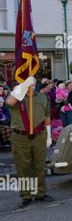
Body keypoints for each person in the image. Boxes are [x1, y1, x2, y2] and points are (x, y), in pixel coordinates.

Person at [6, 77, 53, 208]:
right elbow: (9, 103)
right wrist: (22, 86)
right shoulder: (16, 95)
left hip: (39, 135)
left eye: (32, 83)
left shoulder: (42, 97)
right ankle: (26, 195)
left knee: (39, 165)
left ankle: (40, 193)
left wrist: (49, 136)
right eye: (28, 83)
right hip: (20, 137)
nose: (30, 86)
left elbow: (47, 116)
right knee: (23, 167)